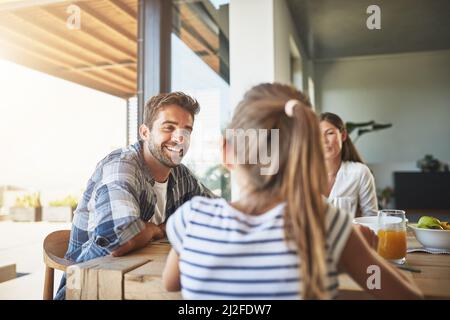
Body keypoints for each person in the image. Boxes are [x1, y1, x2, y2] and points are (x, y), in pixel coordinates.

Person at [162, 83, 423, 300]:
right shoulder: (324, 223)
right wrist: (347, 254)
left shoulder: (192, 219)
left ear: (227, 151)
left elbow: (171, 283)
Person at [54, 92, 215, 299]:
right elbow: (120, 238)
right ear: (145, 132)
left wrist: (153, 229)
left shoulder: (181, 175)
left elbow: (217, 212)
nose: (180, 137)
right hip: (89, 288)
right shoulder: (121, 165)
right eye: (169, 127)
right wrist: (162, 228)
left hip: (142, 280)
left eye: (187, 130)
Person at [319, 112, 378, 218]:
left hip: (349, 235)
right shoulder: (302, 174)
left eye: (330, 133)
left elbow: (371, 219)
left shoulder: (360, 173)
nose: (323, 140)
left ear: (343, 135)